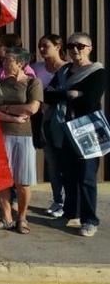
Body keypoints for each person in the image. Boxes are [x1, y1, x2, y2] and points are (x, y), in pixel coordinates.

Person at [44, 33, 107, 237]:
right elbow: (46, 94)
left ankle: (90, 220)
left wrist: (64, 94)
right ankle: (72, 213)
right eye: (71, 46)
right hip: (63, 129)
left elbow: (89, 100)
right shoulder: (64, 70)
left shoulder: (97, 72)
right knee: (69, 174)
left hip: (87, 130)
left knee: (87, 176)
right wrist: (69, 94)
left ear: (90, 48)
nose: (75, 50)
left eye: (80, 46)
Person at [0, 47, 42, 234]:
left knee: (23, 181)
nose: (4, 62)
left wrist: (5, 108)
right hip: (0, 135)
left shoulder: (33, 82)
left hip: (24, 136)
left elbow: (32, 108)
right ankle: (6, 217)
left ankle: (22, 218)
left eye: (8, 59)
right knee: (2, 179)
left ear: (20, 63)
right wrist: (13, 116)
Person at [32, 34, 68, 217]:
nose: (42, 49)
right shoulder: (36, 68)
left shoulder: (68, 69)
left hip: (63, 122)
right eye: (40, 46)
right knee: (52, 163)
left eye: (45, 45)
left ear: (58, 46)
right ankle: (58, 200)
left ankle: (70, 202)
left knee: (66, 163)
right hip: (43, 121)